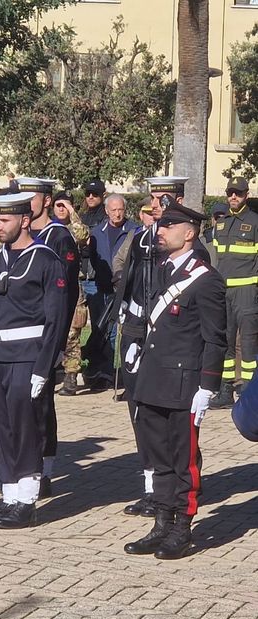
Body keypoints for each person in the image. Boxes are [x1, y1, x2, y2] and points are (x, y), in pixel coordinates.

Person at [123, 202, 226, 560]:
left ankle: (182, 527)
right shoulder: (162, 270)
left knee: (184, 460)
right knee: (159, 457)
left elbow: (215, 338)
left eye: (169, 224)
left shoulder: (205, 279)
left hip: (183, 385)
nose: (161, 230)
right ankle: (162, 523)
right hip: (153, 380)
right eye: (160, 224)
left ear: (190, 233)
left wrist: (208, 387)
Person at [113, 176, 209, 516]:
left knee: (177, 429)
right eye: (153, 197)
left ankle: (180, 493)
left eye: (163, 198)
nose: (156, 204)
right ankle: (154, 488)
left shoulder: (191, 249)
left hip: (172, 349)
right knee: (144, 415)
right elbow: (125, 277)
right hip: (139, 330)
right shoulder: (141, 239)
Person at [0, 192, 68, 528]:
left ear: (25, 221)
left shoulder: (46, 260)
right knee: (1, 427)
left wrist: (44, 368)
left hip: (27, 357)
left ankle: (27, 500)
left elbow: (56, 318)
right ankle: (9, 496)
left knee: (25, 428)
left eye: (5, 220)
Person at [17, 177, 82, 496]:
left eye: (32, 197)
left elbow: (67, 294)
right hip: (18, 336)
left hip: (46, 334)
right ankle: (25, 465)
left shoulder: (59, 237)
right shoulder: (20, 234)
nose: (25, 202)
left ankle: (45, 468)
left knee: (41, 404)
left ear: (45, 201)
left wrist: (57, 342)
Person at [208, 176, 258, 409]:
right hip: (224, 290)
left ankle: (247, 393)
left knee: (248, 343)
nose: (233, 197)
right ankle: (226, 389)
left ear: (246, 195)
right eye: (230, 193)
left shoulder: (255, 222)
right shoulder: (220, 223)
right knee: (225, 341)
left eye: (238, 193)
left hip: (247, 290)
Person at [82, 193, 136, 389]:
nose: (117, 213)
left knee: (115, 331)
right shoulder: (97, 231)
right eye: (113, 210)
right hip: (100, 286)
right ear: (106, 211)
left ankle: (109, 372)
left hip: (124, 289)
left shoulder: (134, 230)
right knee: (99, 328)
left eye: (120, 209)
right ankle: (98, 370)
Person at [51, 191, 90, 396]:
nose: (61, 209)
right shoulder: (48, 229)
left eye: (65, 205)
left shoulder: (73, 228)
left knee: (72, 332)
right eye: (58, 205)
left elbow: (83, 235)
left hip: (72, 285)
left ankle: (71, 375)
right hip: (50, 284)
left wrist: (73, 212)